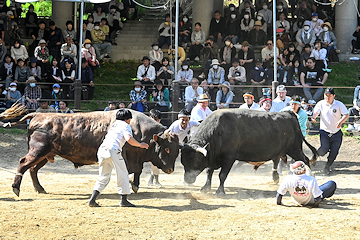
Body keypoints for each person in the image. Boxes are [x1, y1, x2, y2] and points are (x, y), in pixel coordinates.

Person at [88, 109, 149, 207]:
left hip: (102, 150)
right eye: (129, 118)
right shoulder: (126, 125)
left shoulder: (114, 124)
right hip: (113, 151)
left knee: (104, 176)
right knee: (123, 175)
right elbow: (129, 139)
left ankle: (92, 200)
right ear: (127, 119)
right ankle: (124, 200)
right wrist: (140, 145)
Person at [311, 87, 349, 174]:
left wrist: (341, 121)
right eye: (326, 95)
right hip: (324, 131)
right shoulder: (321, 103)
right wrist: (314, 117)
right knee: (324, 149)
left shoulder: (339, 104)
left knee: (334, 152)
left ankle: (327, 167)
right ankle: (315, 157)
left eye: (330, 95)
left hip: (336, 132)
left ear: (334, 96)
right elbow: (316, 112)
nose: (327, 97)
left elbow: (346, 114)